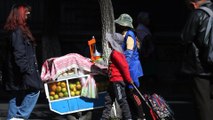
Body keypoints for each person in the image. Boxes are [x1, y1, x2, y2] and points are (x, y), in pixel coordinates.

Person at [2, 4, 43, 120]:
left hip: (15, 72)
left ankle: (12, 118)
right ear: (19, 13)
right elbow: (19, 53)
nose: (28, 14)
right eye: (26, 12)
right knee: (35, 90)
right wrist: (27, 69)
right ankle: (20, 117)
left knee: (16, 96)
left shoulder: (15, 30)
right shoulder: (17, 31)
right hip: (21, 71)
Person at [181, 0, 213, 120]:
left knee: (202, 104)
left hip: (200, 68)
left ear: (193, 4)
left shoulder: (197, 14)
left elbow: (185, 37)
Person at [114, 13, 145, 120]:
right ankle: (134, 116)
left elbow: (129, 53)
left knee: (133, 93)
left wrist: (123, 65)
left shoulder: (130, 35)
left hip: (132, 69)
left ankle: (141, 116)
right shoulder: (126, 34)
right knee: (128, 94)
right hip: (129, 67)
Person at [101, 32, 133, 120]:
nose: (108, 42)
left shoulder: (116, 54)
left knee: (122, 100)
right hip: (113, 81)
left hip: (117, 81)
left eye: (110, 41)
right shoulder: (114, 52)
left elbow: (124, 66)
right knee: (108, 100)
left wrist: (128, 79)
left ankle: (128, 118)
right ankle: (104, 118)